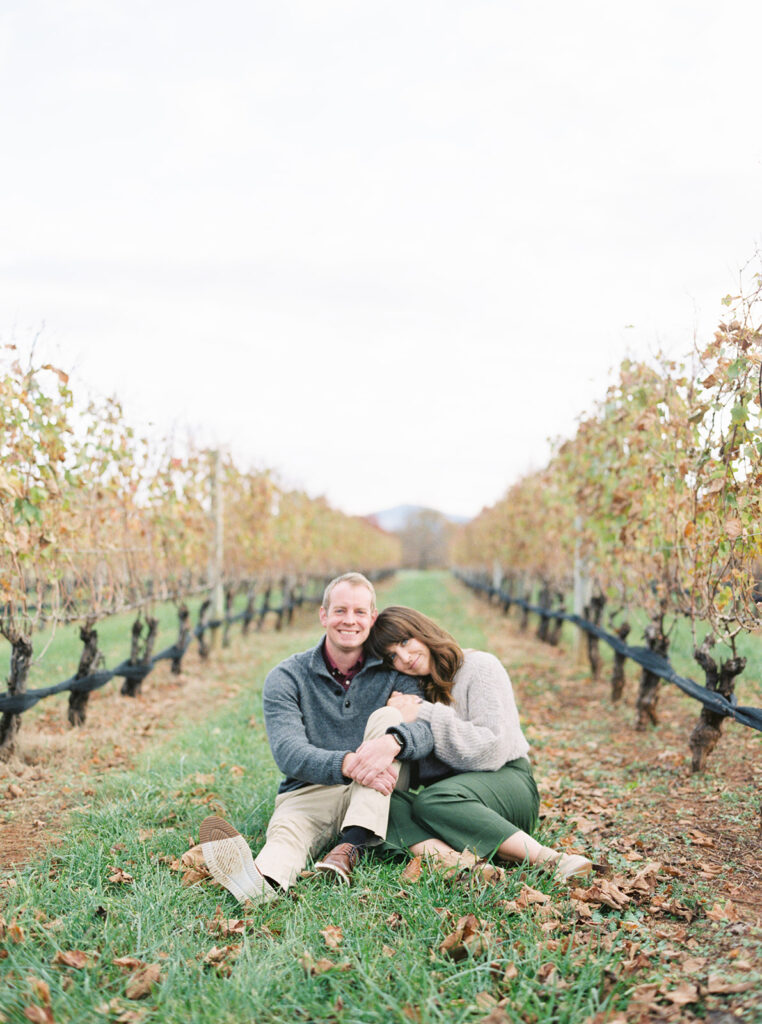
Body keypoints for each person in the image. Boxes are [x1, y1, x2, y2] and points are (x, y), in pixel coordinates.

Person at [199, 573, 434, 904]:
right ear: (323, 615)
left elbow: (425, 732)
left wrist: (392, 742)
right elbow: (288, 751)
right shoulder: (286, 677)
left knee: (390, 719)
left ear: (372, 618)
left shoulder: (395, 670)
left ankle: (349, 845)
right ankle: (259, 883)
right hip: (311, 788)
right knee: (287, 836)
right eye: (340, 611)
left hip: (380, 789)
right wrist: (349, 763)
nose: (349, 620)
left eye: (359, 612)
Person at [365, 605, 593, 880]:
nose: (404, 656)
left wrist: (424, 712)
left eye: (405, 641)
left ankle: (553, 860)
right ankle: (462, 865)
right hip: (453, 804)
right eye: (392, 656)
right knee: (384, 804)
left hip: (507, 782)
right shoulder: (414, 692)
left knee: (432, 800)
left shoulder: (480, 667)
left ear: (422, 631)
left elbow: (492, 751)